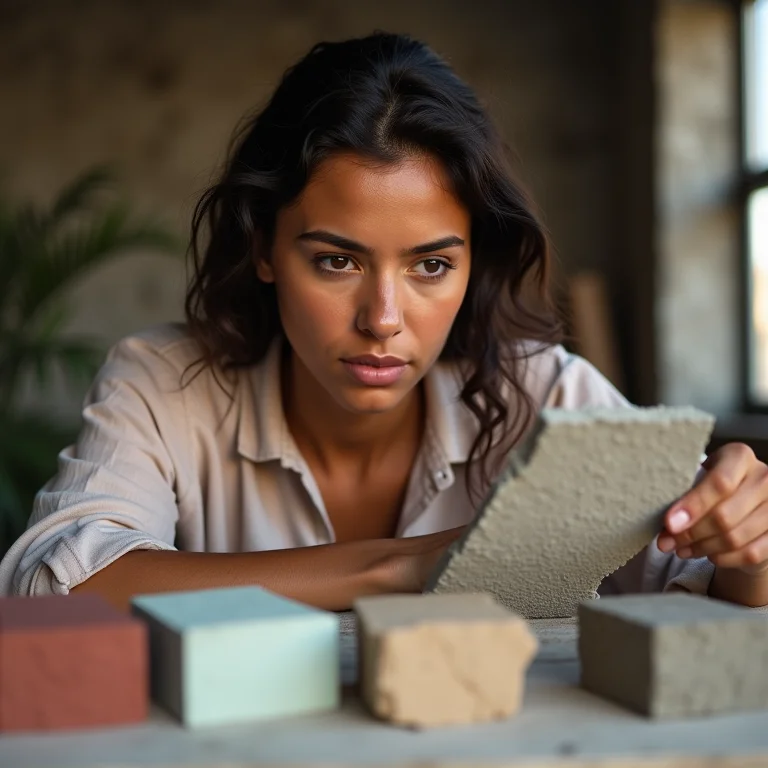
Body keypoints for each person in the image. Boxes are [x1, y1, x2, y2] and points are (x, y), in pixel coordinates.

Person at [2, 33, 768, 613]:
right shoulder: (168, 382)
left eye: (431, 266)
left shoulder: (546, 391)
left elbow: (705, 599)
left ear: (475, 264)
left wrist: (748, 545)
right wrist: (402, 567)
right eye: (337, 261)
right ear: (264, 246)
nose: (383, 320)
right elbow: (50, 585)